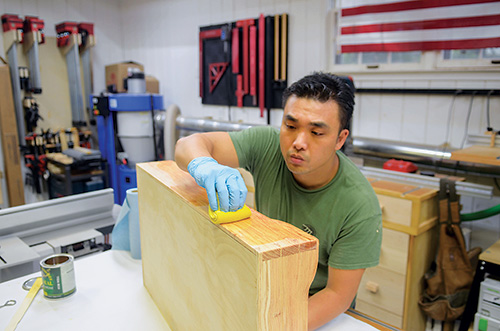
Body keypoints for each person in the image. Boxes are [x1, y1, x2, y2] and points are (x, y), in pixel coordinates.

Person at [175, 72, 382, 330]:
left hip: (314, 308)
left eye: (316, 132)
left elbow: (337, 295)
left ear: (340, 139)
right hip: (263, 283)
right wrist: (204, 165)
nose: (298, 143)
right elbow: (187, 145)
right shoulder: (268, 146)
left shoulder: (359, 206)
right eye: (291, 126)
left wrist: (273, 324)